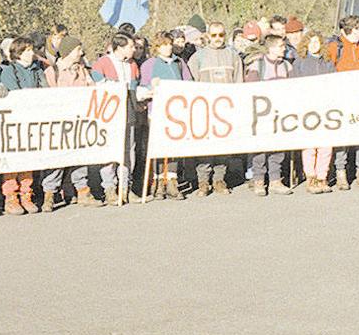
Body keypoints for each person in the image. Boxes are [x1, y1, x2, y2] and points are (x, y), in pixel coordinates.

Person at [187, 21, 244, 197]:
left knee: (223, 147)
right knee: (205, 148)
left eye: (221, 35)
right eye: (214, 35)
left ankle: (219, 179)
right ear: (208, 36)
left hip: (226, 111)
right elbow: (190, 84)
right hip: (204, 110)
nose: (218, 38)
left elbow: (239, 81)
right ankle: (203, 181)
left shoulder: (233, 56)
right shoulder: (198, 58)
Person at [43, 36, 100, 209]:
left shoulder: (82, 69)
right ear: (68, 52)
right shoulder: (53, 71)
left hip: (80, 120)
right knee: (58, 159)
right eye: (78, 50)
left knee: (80, 157)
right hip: (60, 122)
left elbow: (92, 88)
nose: (81, 53)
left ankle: (83, 191)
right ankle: (49, 194)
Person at [0, 36, 47, 214]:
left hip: (33, 120)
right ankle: (11, 196)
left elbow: (45, 90)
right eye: (28, 50)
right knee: (14, 160)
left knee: (28, 159)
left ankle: (26, 193)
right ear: (19, 53)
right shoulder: (10, 70)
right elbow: (15, 95)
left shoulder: (36, 69)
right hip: (15, 122)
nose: (32, 52)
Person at [138, 32, 191, 200]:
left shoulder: (179, 62)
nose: (167, 47)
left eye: (169, 44)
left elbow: (188, 83)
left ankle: (172, 180)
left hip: (176, 112)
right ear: (157, 47)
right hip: (157, 111)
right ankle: (159, 181)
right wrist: (151, 88)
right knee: (159, 146)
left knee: (174, 147)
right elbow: (143, 87)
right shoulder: (149, 64)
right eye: (163, 45)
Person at [91, 33, 140, 205]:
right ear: (120, 47)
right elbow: (96, 83)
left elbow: (135, 88)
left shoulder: (132, 65)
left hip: (129, 111)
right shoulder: (103, 63)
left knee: (129, 151)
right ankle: (109, 187)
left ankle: (125, 187)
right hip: (109, 114)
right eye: (131, 46)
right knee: (111, 151)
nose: (134, 49)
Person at [245, 34, 294, 196]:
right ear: (271, 48)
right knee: (260, 148)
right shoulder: (257, 66)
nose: (284, 48)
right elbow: (249, 90)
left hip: (281, 114)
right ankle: (259, 180)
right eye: (281, 46)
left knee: (279, 148)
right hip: (262, 114)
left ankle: (275, 180)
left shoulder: (287, 66)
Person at [330, 15, 359, 190]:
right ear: (352, 29)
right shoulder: (335, 47)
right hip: (341, 98)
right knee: (343, 136)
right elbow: (329, 70)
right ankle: (341, 173)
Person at [289, 30, 333, 194]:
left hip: (325, 108)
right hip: (307, 108)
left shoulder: (328, 62)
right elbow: (294, 85)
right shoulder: (299, 62)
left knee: (325, 145)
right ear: (306, 44)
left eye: (317, 42)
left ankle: (322, 176)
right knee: (309, 145)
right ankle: (311, 177)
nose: (315, 45)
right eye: (311, 42)